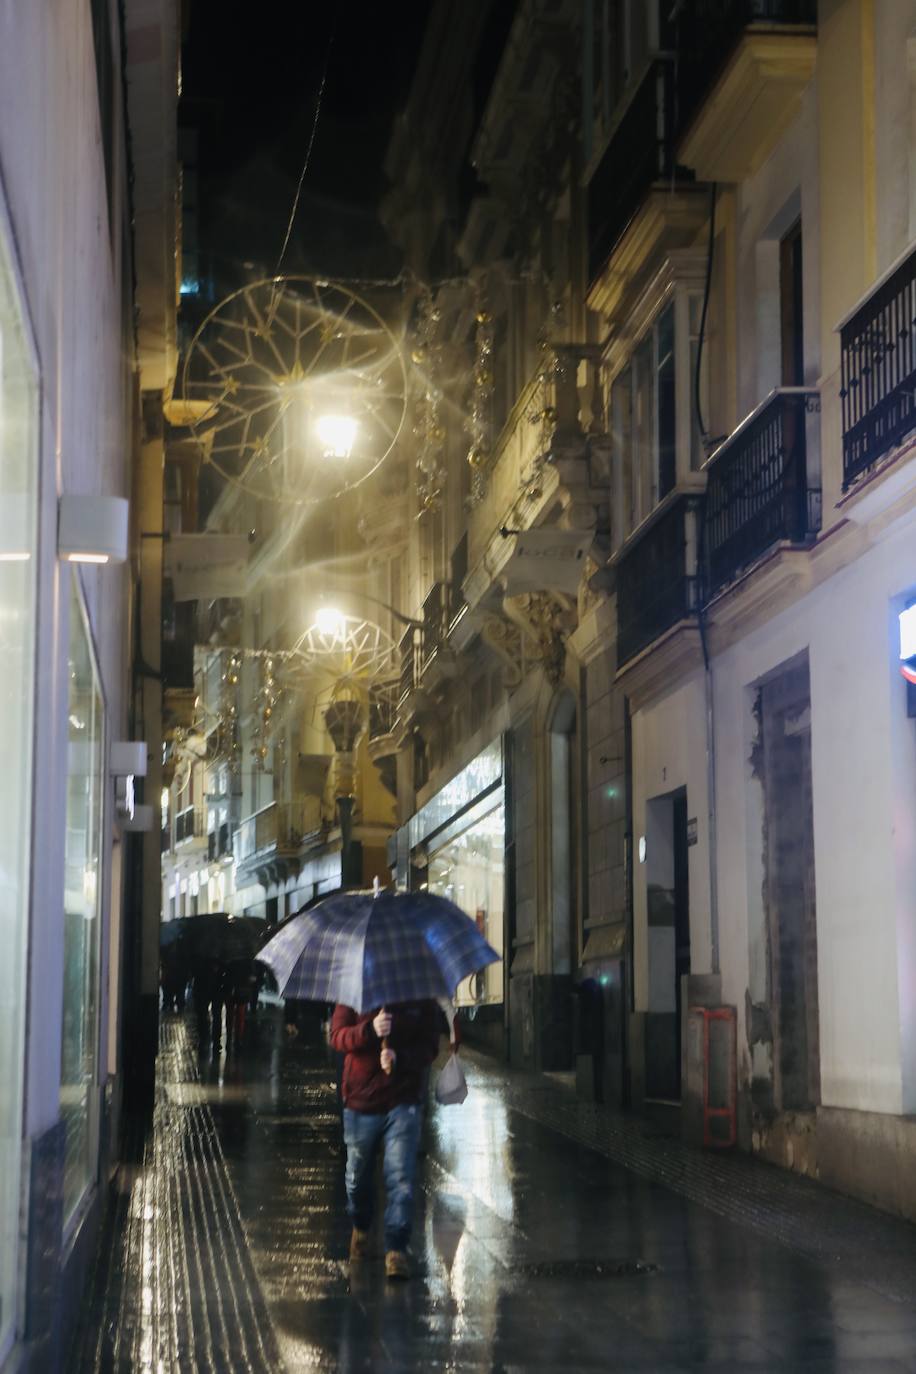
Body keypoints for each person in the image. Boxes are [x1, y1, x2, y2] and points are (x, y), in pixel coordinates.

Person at [330, 1000, 443, 1280]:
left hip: (403, 1099)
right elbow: (338, 1036)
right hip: (361, 1100)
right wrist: (369, 1029)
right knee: (357, 1178)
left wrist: (399, 1057)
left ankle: (396, 1248)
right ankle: (361, 1225)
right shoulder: (354, 994)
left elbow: (430, 1045)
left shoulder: (418, 993)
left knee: (401, 1177)